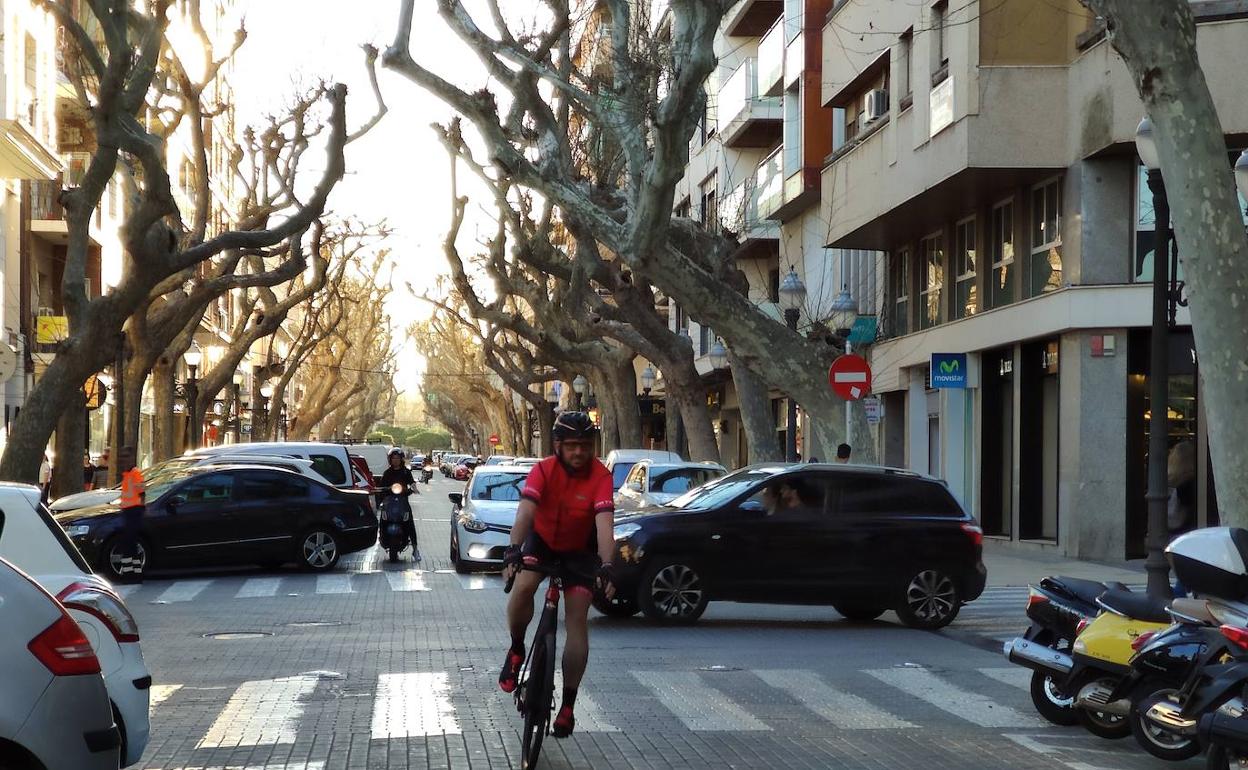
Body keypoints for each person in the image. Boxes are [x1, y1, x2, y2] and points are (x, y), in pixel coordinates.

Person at [499, 411, 616, 739]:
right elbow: (526, 511)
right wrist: (513, 548)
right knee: (524, 586)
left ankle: (568, 705)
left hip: (581, 549)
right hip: (543, 540)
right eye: (572, 446)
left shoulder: (601, 476)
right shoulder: (543, 470)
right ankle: (517, 647)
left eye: (586, 445)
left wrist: (607, 565)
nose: (579, 452)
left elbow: (604, 525)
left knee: (577, 619)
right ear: (558, 446)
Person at [379, 448, 420, 559]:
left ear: (401, 459)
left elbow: (412, 483)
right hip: (389, 502)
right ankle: (381, 536)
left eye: (397, 458)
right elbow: (381, 486)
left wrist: (414, 488)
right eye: (393, 458)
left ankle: (415, 549)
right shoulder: (387, 473)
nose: (395, 460)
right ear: (390, 460)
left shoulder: (406, 471)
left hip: (402, 501)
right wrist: (381, 491)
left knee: (410, 523)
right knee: (383, 519)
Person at [117, 447, 145, 583]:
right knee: (129, 545)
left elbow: (142, 493)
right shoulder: (127, 475)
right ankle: (134, 575)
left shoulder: (135, 474)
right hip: (128, 512)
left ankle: (130, 575)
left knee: (129, 545)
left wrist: (141, 511)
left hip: (134, 512)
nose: (123, 460)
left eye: (126, 457)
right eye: (121, 457)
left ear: (132, 458)